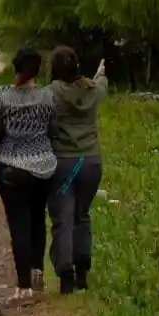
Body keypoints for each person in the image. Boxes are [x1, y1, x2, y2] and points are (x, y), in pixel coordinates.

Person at [0, 47, 57, 300]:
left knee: (18, 224)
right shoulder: (48, 97)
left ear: (15, 69)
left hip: (10, 167)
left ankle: (22, 286)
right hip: (43, 167)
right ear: (37, 70)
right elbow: (54, 130)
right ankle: (37, 272)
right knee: (37, 219)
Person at [47, 47, 107, 295]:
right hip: (91, 162)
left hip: (63, 163)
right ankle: (82, 272)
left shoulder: (51, 92)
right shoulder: (92, 89)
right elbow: (101, 83)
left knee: (63, 219)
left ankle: (66, 275)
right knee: (82, 216)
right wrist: (102, 72)